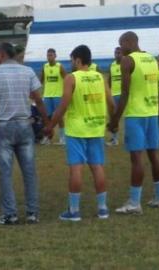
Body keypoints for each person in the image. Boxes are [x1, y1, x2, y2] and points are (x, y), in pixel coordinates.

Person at [0, 42, 50, 225]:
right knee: (29, 171)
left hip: (4, 126)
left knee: (5, 172)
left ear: (2, 54)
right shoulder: (27, 72)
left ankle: (10, 213)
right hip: (25, 125)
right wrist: (47, 123)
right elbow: (38, 100)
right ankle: (32, 212)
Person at [45, 45, 115, 222]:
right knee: (97, 167)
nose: (71, 63)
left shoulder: (72, 78)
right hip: (96, 128)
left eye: (72, 60)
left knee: (76, 168)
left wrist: (50, 125)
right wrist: (113, 122)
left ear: (77, 60)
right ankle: (102, 209)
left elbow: (63, 105)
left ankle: (74, 210)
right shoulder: (100, 77)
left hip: (77, 129)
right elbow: (111, 103)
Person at [109, 32, 159, 214]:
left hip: (136, 115)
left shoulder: (128, 61)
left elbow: (124, 93)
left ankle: (134, 203)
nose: (121, 49)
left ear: (128, 42)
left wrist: (115, 119)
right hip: (152, 113)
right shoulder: (152, 59)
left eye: (121, 44)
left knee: (137, 159)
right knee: (154, 155)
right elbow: (156, 90)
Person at [39, 48, 67, 145]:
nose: (49, 57)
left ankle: (62, 138)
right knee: (47, 118)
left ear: (55, 56)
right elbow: (41, 81)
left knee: (59, 117)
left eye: (51, 55)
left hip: (57, 96)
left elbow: (66, 79)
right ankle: (48, 137)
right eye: (48, 55)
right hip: (47, 95)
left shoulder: (60, 67)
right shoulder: (45, 67)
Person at [107, 47, 122, 146]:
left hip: (124, 95)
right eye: (116, 53)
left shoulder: (126, 64)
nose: (117, 54)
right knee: (113, 117)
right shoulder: (112, 65)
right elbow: (109, 81)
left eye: (119, 53)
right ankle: (114, 139)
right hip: (114, 95)